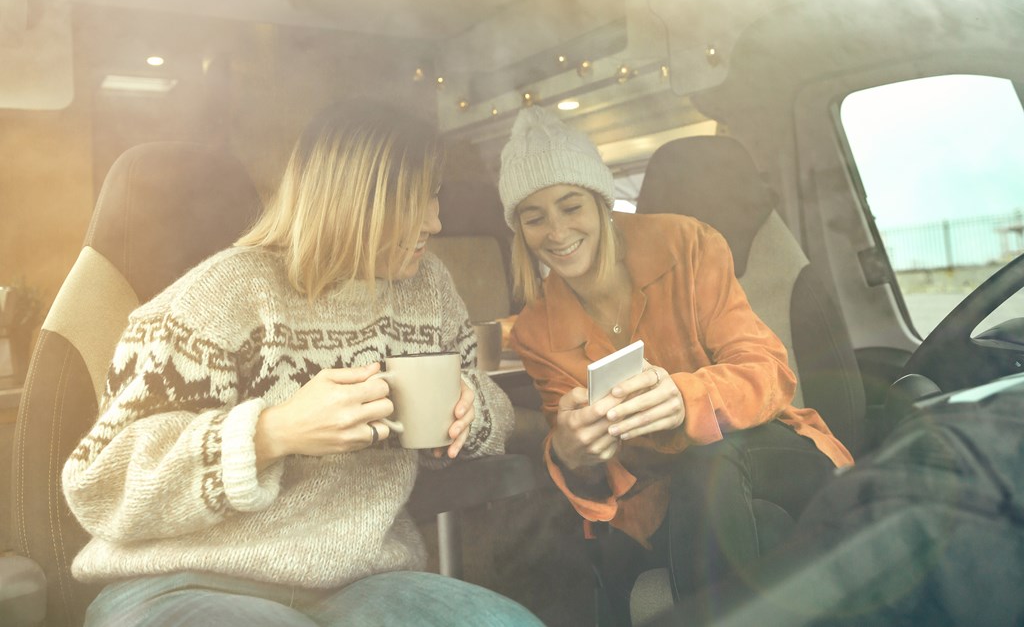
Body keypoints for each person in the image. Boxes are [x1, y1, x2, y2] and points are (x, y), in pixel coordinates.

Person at [62, 102, 543, 627]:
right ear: (356, 201)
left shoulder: (430, 289)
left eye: (434, 195)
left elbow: (478, 392)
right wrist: (271, 433)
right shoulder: (222, 296)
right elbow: (99, 487)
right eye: (417, 199)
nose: (437, 221)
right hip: (184, 581)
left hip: (361, 583)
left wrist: (470, 413)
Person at [499, 106, 854, 625]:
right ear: (519, 230)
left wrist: (685, 400)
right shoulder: (535, 329)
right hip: (667, 501)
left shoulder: (688, 244)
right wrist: (573, 453)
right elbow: (577, 448)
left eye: (570, 206)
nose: (556, 232)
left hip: (771, 453)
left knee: (709, 462)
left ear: (600, 202)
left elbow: (768, 369)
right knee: (765, 529)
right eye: (534, 218)